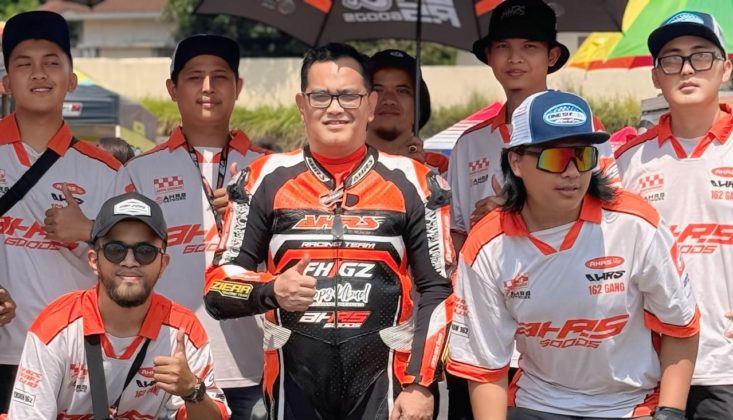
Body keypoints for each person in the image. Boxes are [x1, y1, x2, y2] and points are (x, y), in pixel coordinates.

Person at [203, 42, 453, 420]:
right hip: (292, 388)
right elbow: (218, 288)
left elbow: (439, 290)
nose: (335, 108)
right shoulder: (261, 179)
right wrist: (272, 290)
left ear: (370, 105)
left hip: (386, 387)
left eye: (349, 96)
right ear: (301, 105)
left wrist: (420, 383)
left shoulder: (417, 182)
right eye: (321, 96)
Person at [447, 90, 699, 420]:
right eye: (556, 158)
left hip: (629, 406)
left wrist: (671, 412)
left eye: (582, 157)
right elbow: (485, 366)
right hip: (538, 403)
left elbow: (681, 326)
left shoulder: (636, 224)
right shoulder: (486, 245)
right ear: (516, 162)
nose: (571, 172)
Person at [444, 2, 616, 417]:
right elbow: (459, 235)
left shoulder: (586, 131)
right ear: (489, 56)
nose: (515, 58)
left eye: (530, 47)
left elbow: (610, 218)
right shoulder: (469, 143)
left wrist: (517, 206)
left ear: (552, 55)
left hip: (564, 334)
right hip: (488, 334)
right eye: (503, 46)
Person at [117, 34, 269, 419]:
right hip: (166, 369)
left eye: (220, 77)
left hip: (255, 369)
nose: (208, 87)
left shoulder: (269, 168)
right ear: (172, 89)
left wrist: (249, 213)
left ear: (238, 87)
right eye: (194, 77)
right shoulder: (139, 171)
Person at [7, 192, 229, 419]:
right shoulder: (55, 327)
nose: (130, 261)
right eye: (115, 250)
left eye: (145, 252)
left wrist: (192, 390)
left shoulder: (184, 330)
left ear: (163, 264)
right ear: (94, 260)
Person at [614, 11, 733, 419]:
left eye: (701, 55)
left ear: (726, 67)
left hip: (726, 367)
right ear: (655, 77)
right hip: (646, 370)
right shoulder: (627, 161)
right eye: (671, 59)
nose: (686, 69)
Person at [0, 11, 120, 413]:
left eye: (51, 62)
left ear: (71, 80)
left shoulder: (106, 171)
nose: (39, 73)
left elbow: (142, 255)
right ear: (6, 83)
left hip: (77, 355)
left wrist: (89, 229)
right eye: (24, 64)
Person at [367, 49, 448, 175]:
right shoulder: (343, 165)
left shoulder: (441, 168)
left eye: (402, 91)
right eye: (378, 90)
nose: (389, 100)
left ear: (419, 106)